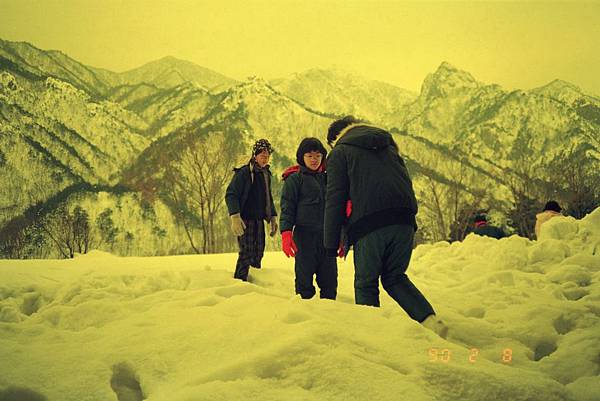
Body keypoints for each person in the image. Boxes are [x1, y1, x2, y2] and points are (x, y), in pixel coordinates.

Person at [323, 116, 448, 338]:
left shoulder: (340, 152)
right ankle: (431, 322)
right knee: (394, 276)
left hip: (369, 224)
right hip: (405, 220)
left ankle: (374, 338)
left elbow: (335, 198)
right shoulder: (388, 146)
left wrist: (330, 244)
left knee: (366, 283)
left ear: (334, 139)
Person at [280, 138, 337, 300]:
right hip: (304, 237)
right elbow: (287, 208)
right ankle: (305, 316)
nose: (314, 160)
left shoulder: (329, 179)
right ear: (302, 157)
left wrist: (341, 234)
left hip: (327, 238)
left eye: (318, 156)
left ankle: (330, 316)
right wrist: (286, 233)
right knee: (304, 282)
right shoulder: (294, 180)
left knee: (330, 282)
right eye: (310, 156)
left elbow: (336, 209)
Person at [225, 139, 278, 281]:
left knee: (258, 251)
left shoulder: (266, 173)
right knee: (246, 252)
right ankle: (240, 281)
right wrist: (235, 216)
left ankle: (255, 280)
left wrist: (272, 216)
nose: (265, 158)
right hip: (245, 220)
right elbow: (231, 194)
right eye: (262, 155)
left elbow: (268, 197)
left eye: (267, 156)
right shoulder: (244, 173)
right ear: (255, 155)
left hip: (259, 220)